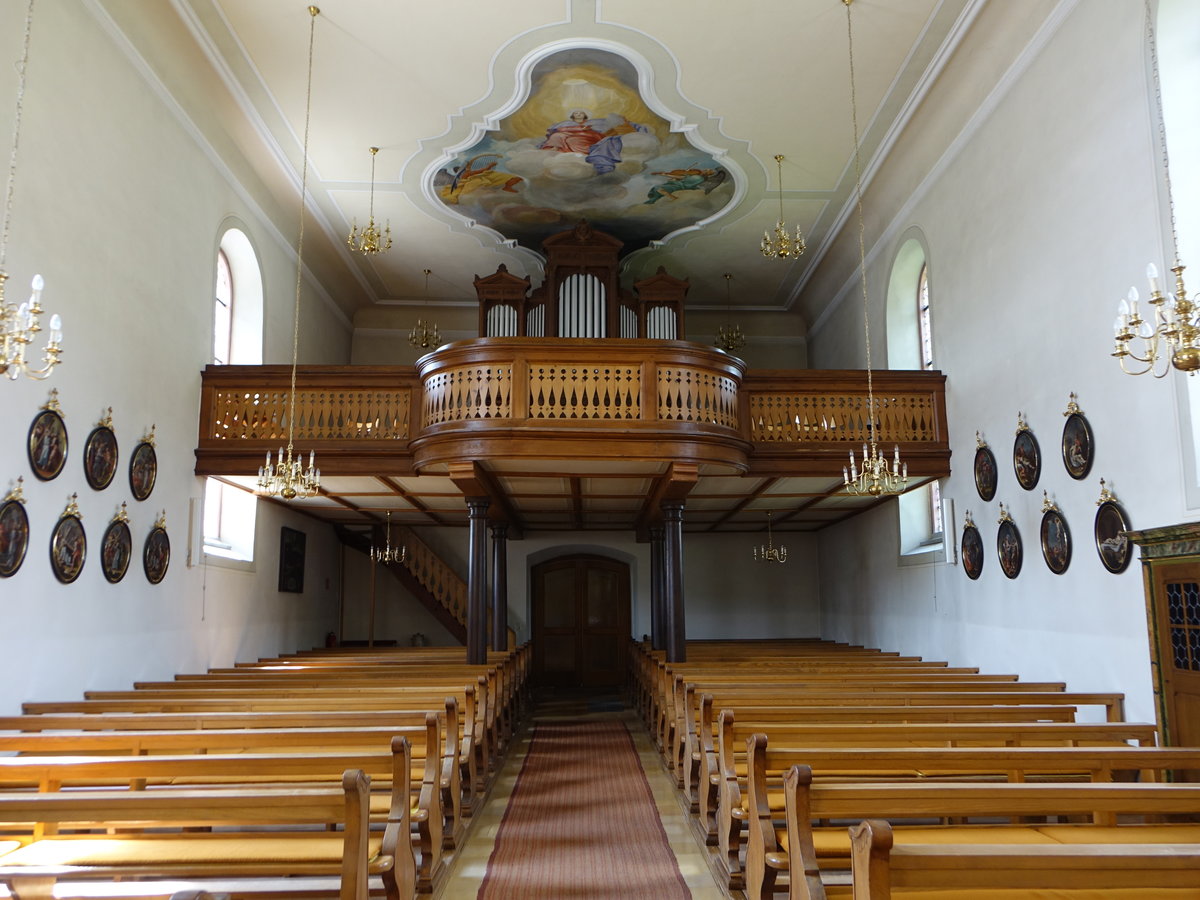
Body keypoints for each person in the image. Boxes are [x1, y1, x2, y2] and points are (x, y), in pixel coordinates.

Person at [540, 110, 648, 175]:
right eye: (576, 113)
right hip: (568, 135)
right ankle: (554, 149)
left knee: (573, 140)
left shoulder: (594, 122)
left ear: (585, 115)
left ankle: (590, 154)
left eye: (581, 113)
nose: (578, 114)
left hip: (589, 137)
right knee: (557, 135)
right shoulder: (565, 123)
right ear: (572, 116)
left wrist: (584, 130)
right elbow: (557, 130)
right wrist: (578, 129)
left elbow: (615, 122)